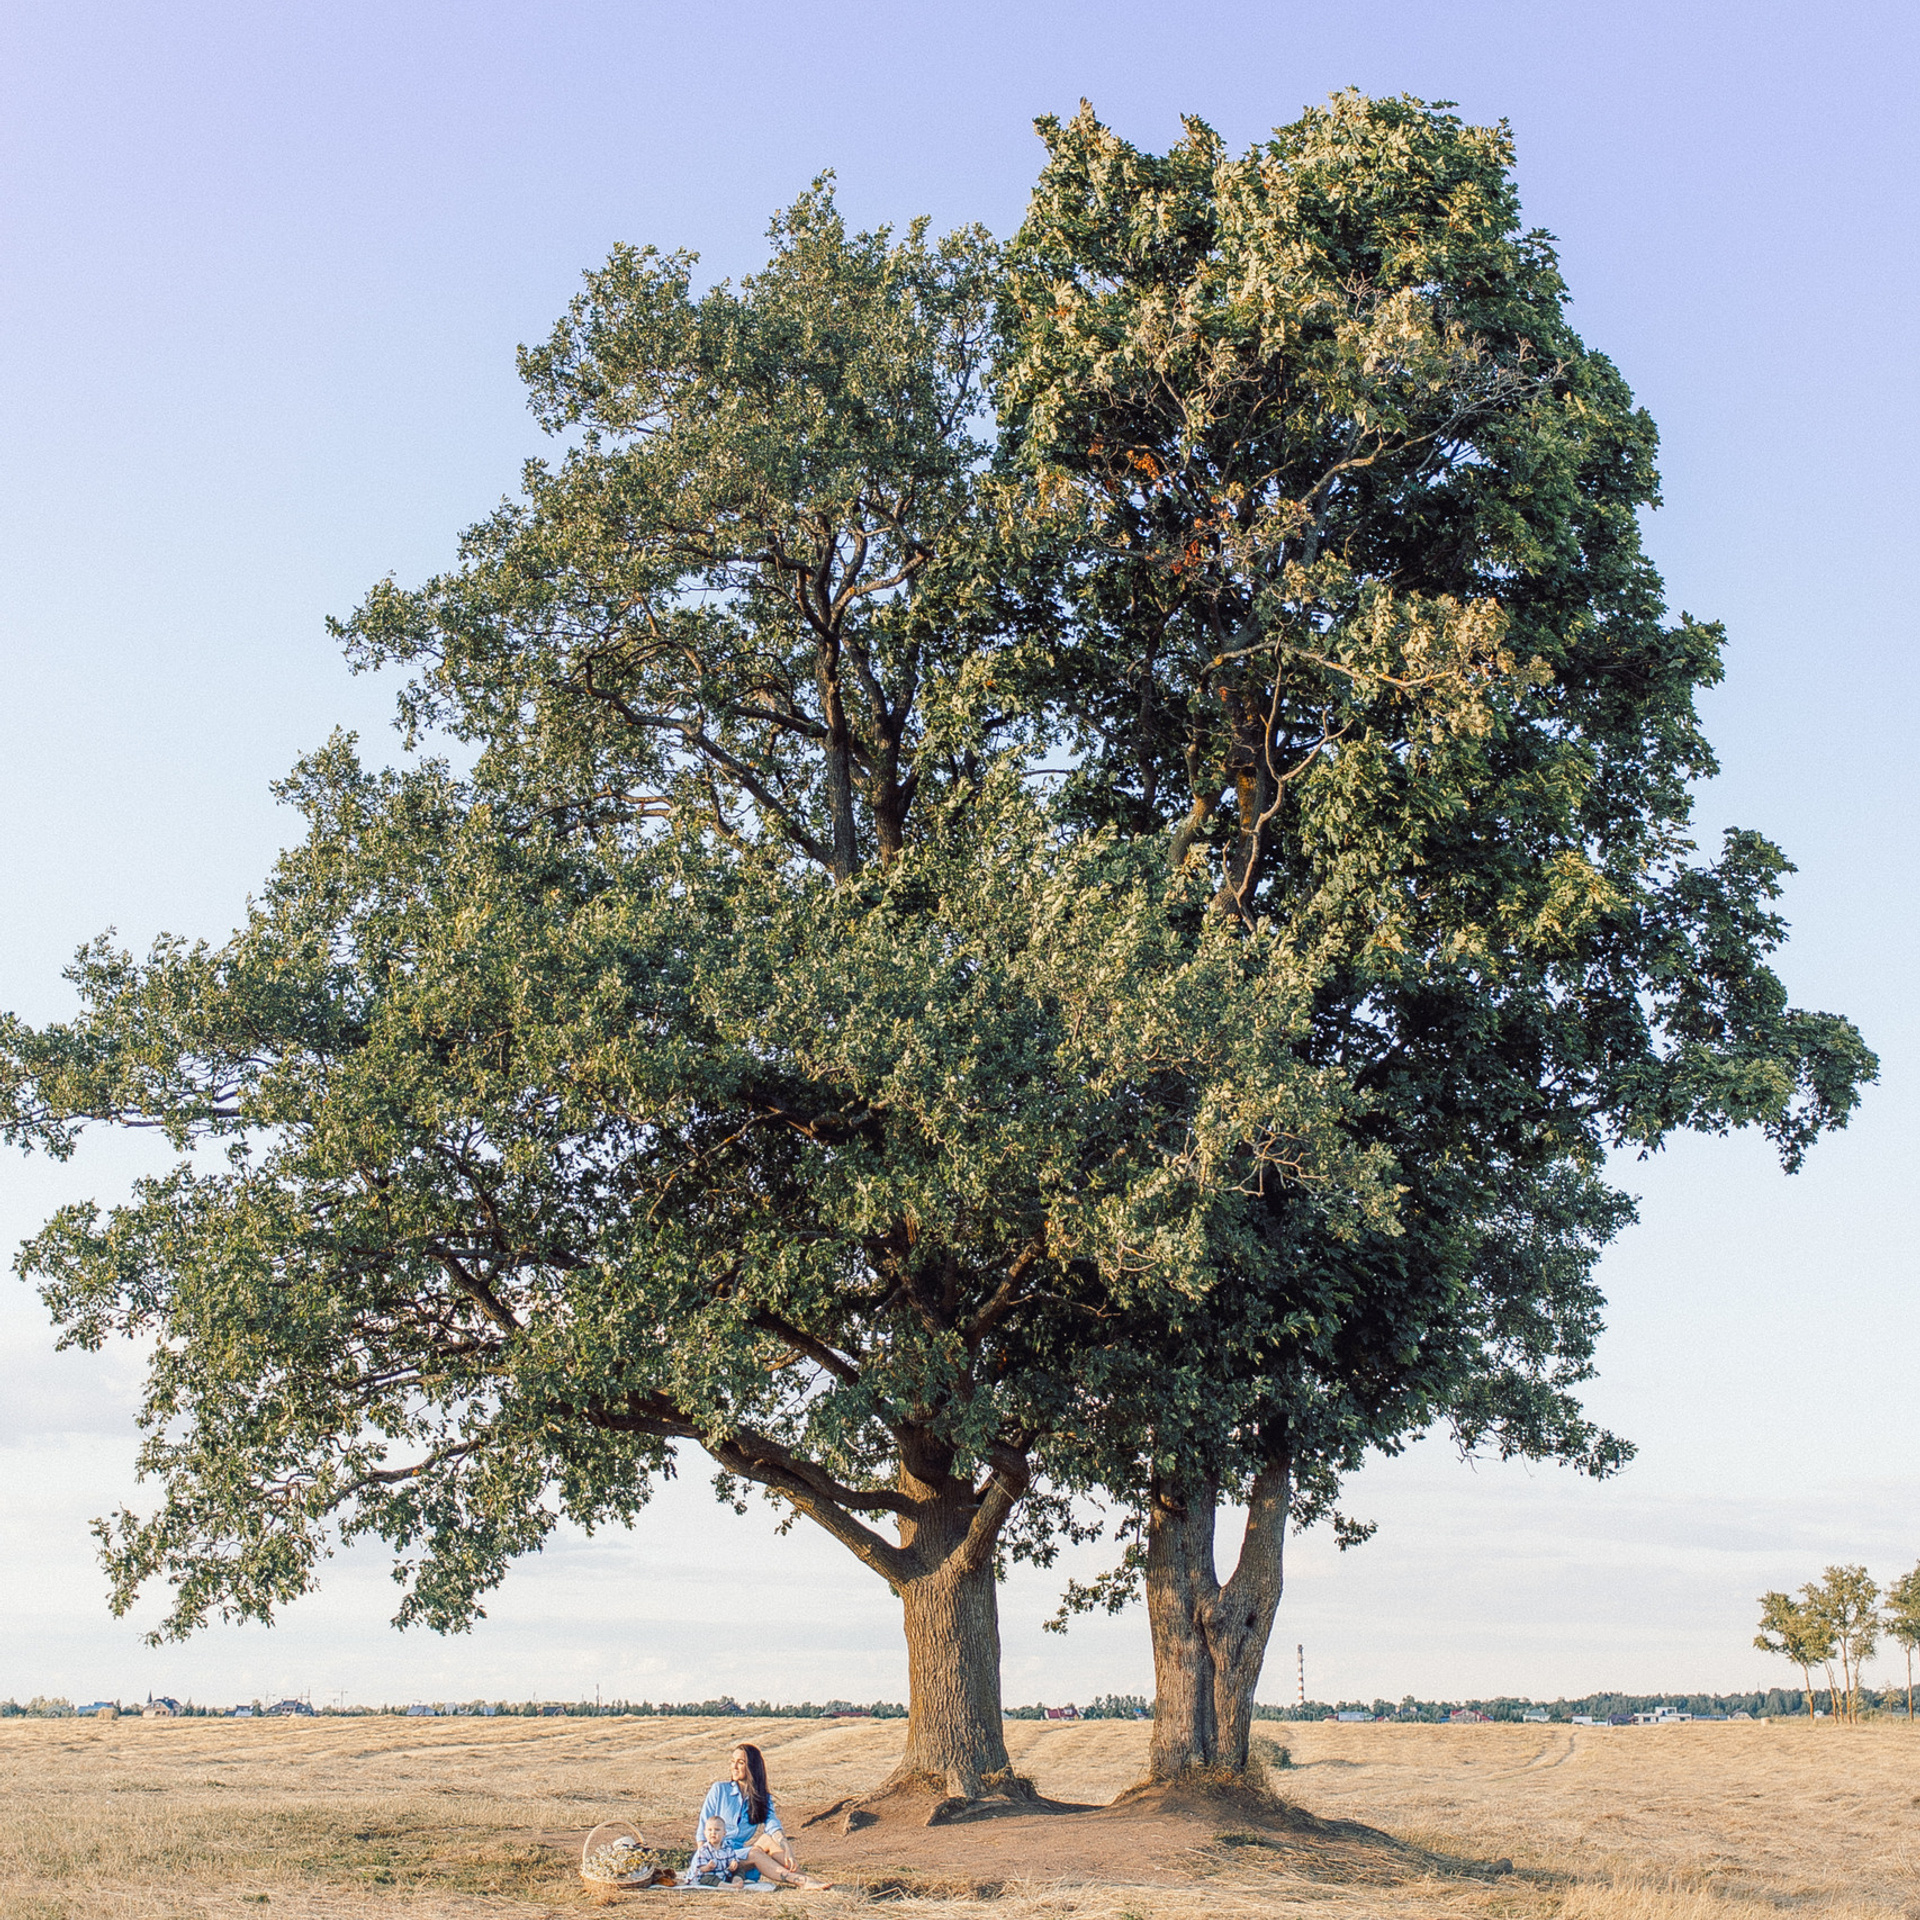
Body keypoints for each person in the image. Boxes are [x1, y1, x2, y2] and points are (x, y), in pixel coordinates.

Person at [691, 1742, 832, 1889]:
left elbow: (773, 1826)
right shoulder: (719, 1790)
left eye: (740, 1762)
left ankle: (806, 1878)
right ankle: (800, 1881)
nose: (734, 1766)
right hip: (715, 1860)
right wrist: (705, 1862)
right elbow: (702, 1829)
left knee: (767, 1839)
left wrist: (787, 1848)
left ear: (752, 1767)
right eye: (732, 1762)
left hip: (737, 1860)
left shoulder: (761, 1798)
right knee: (755, 1852)